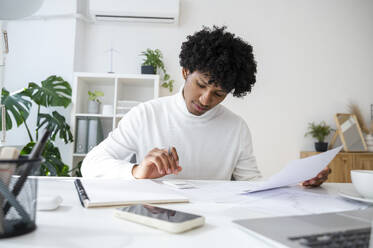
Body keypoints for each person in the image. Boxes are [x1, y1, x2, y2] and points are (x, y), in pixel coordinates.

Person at [81, 26, 330, 187]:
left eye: (219, 93)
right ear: (185, 72)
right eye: (200, 85)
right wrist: (137, 171)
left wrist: (296, 184)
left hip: (215, 224)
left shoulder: (236, 128)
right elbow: (91, 165)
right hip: (156, 219)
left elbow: (252, 184)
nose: (205, 99)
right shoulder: (146, 114)